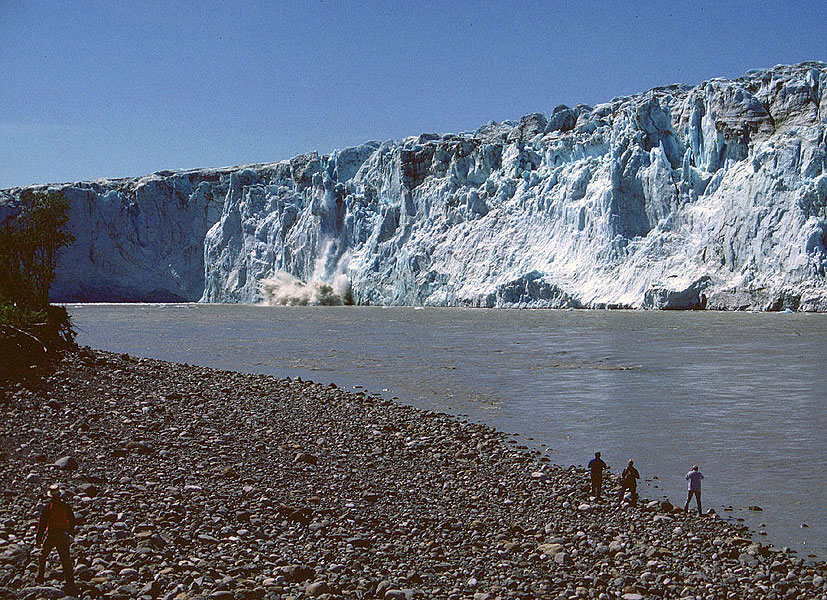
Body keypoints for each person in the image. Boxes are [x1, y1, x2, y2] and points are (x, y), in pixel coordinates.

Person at [36, 484, 75, 589]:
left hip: (51, 535)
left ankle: (40, 578)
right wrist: (70, 532)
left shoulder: (47, 507)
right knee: (65, 558)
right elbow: (72, 520)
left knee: (42, 555)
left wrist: (38, 538)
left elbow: (42, 524)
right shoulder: (65, 506)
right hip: (62, 535)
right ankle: (70, 581)